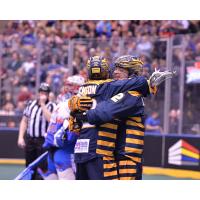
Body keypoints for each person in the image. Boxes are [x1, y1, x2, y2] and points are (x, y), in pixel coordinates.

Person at [69, 55, 174, 180]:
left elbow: (103, 111)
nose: (115, 72)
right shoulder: (115, 90)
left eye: (121, 70)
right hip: (115, 154)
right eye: (115, 69)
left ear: (131, 73)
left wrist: (80, 116)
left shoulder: (131, 94)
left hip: (126, 158)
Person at [39, 75, 85, 180]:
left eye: (71, 86)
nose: (67, 88)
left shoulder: (67, 104)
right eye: (68, 85)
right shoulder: (66, 104)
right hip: (62, 151)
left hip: (60, 150)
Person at [17, 83, 56, 179]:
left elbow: (50, 119)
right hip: (30, 140)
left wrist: (42, 104)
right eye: (41, 92)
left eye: (45, 93)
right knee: (29, 166)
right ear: (38, 93)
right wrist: (20, 137)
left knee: (43, 168)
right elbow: (24, 121)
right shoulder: (30, 104)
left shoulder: (52, 106)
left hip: (43, 141)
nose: (43, 95)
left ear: (48, 95)